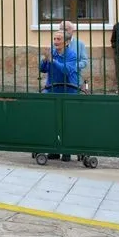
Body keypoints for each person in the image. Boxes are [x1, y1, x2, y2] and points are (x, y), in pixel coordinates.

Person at [39, 29, 80, 161]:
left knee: (67, 122)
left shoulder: (72, 54)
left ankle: (66, 151)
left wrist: (53, 61)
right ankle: (54, 150)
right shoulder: (52, 53)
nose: (55, 42)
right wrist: (44, 60)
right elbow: (42, 69)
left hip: (68, 91)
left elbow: (67, 70)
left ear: (67, 42)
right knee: (52, 121)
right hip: (52, 89)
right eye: (55, 39)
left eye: (59, 39)